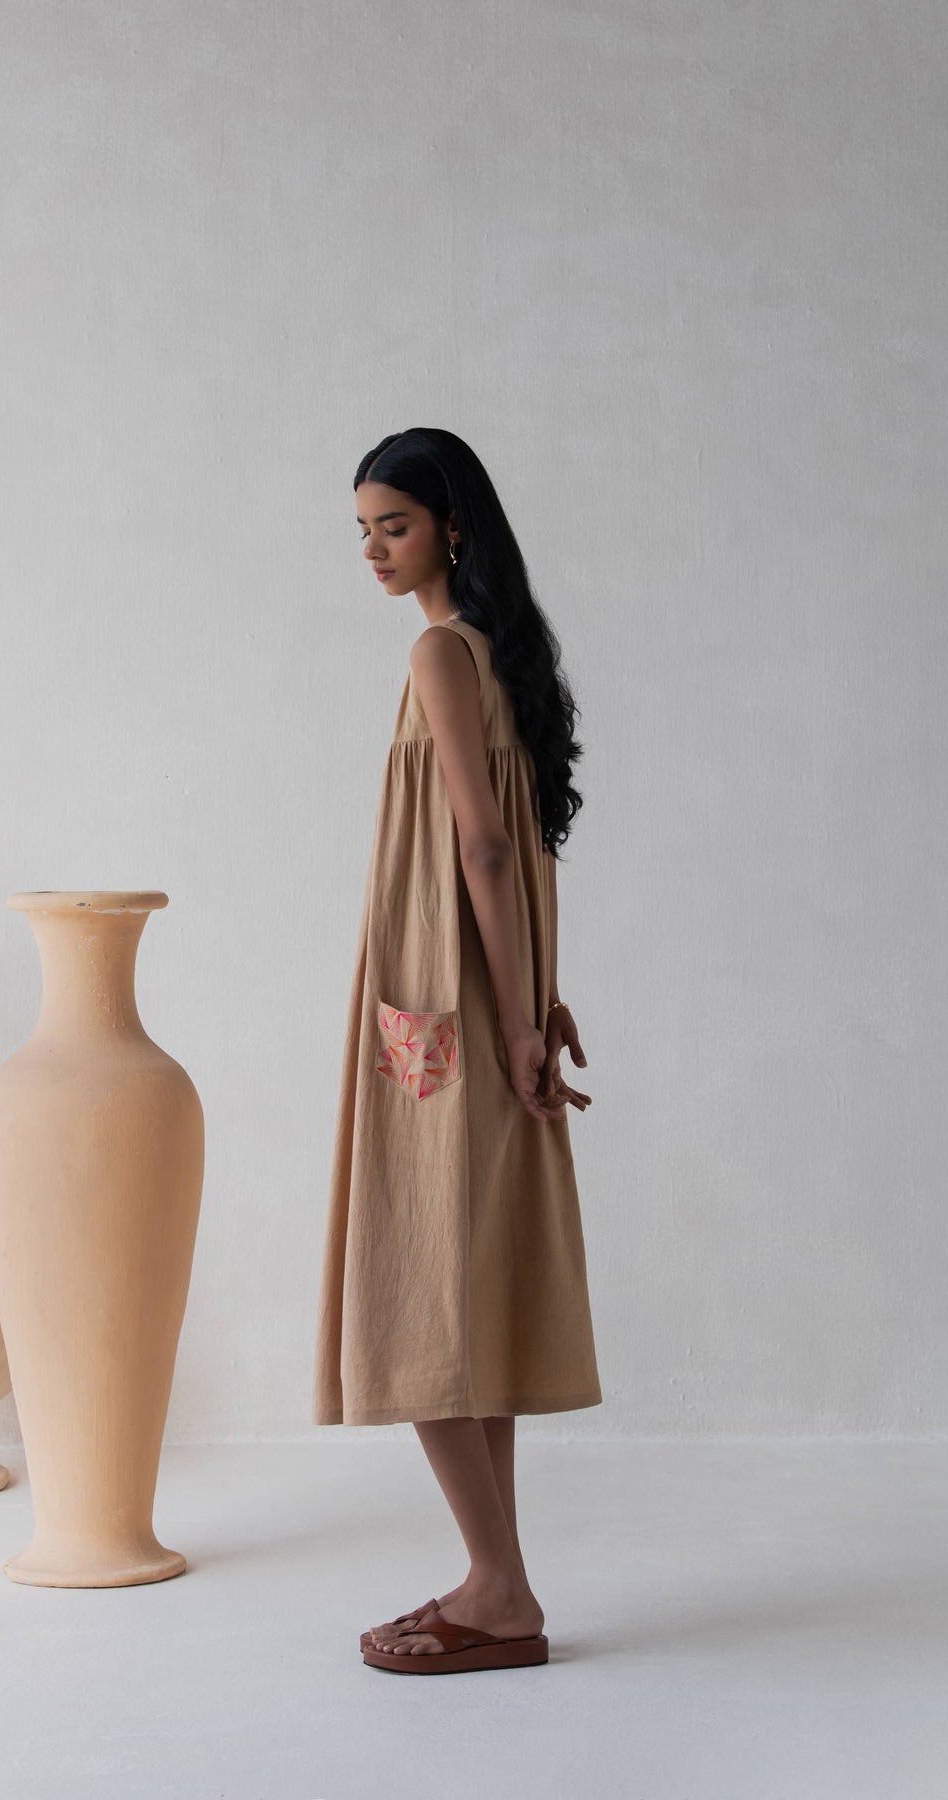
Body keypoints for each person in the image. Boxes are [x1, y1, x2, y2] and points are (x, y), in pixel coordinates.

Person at [312, 427, 602, 1675]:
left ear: (453, 526)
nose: (376, 551)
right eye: (364, 531)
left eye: (396, 526)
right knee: (463, 1285)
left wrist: (516, 1022)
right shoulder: (502, 658)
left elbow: (486, 848)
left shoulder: (440, 652)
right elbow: (527, 856)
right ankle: (500, 1581)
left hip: (439, 1009)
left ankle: (495, 1587)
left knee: (418, 1287)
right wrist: (535, 1002)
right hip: (483, 1003)